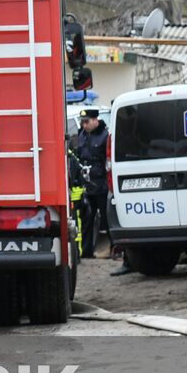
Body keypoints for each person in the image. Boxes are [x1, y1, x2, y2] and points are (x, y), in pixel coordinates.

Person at [72, 108, 110, 261]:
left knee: (106, 219)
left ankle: (114, 248)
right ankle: (86, 250)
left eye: (87, 121)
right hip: (87, 185)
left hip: (101, 184)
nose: (84, 124)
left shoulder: (105, 136)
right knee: (86, 219)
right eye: (82, 122)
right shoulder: (82, 135)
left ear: (96, 120)